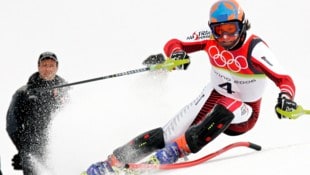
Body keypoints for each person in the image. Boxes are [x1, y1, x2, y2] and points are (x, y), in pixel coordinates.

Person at [83, 0, 297, 174]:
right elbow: (174, 43)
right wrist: (176, 53)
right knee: (168, 133)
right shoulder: (210, 39)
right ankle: (113, 162)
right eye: (218, 30)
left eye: (231, 29)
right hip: (213, 95)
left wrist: (286, 98)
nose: (224, 37)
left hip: (244, 113)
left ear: (243, 25)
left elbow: (284, 79)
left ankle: (175, 152)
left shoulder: (255, 48)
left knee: (229, 105)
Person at [6, 51, 69, 175]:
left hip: (59, 151)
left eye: (51, 65)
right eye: (44, 65)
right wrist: (23, 149)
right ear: (38, 67)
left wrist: (59, 96)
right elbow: (12, 125)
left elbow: (74, 118)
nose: (48, 69)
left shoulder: (65, 91)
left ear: (57, 68)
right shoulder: (23, 93)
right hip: (32, 150)